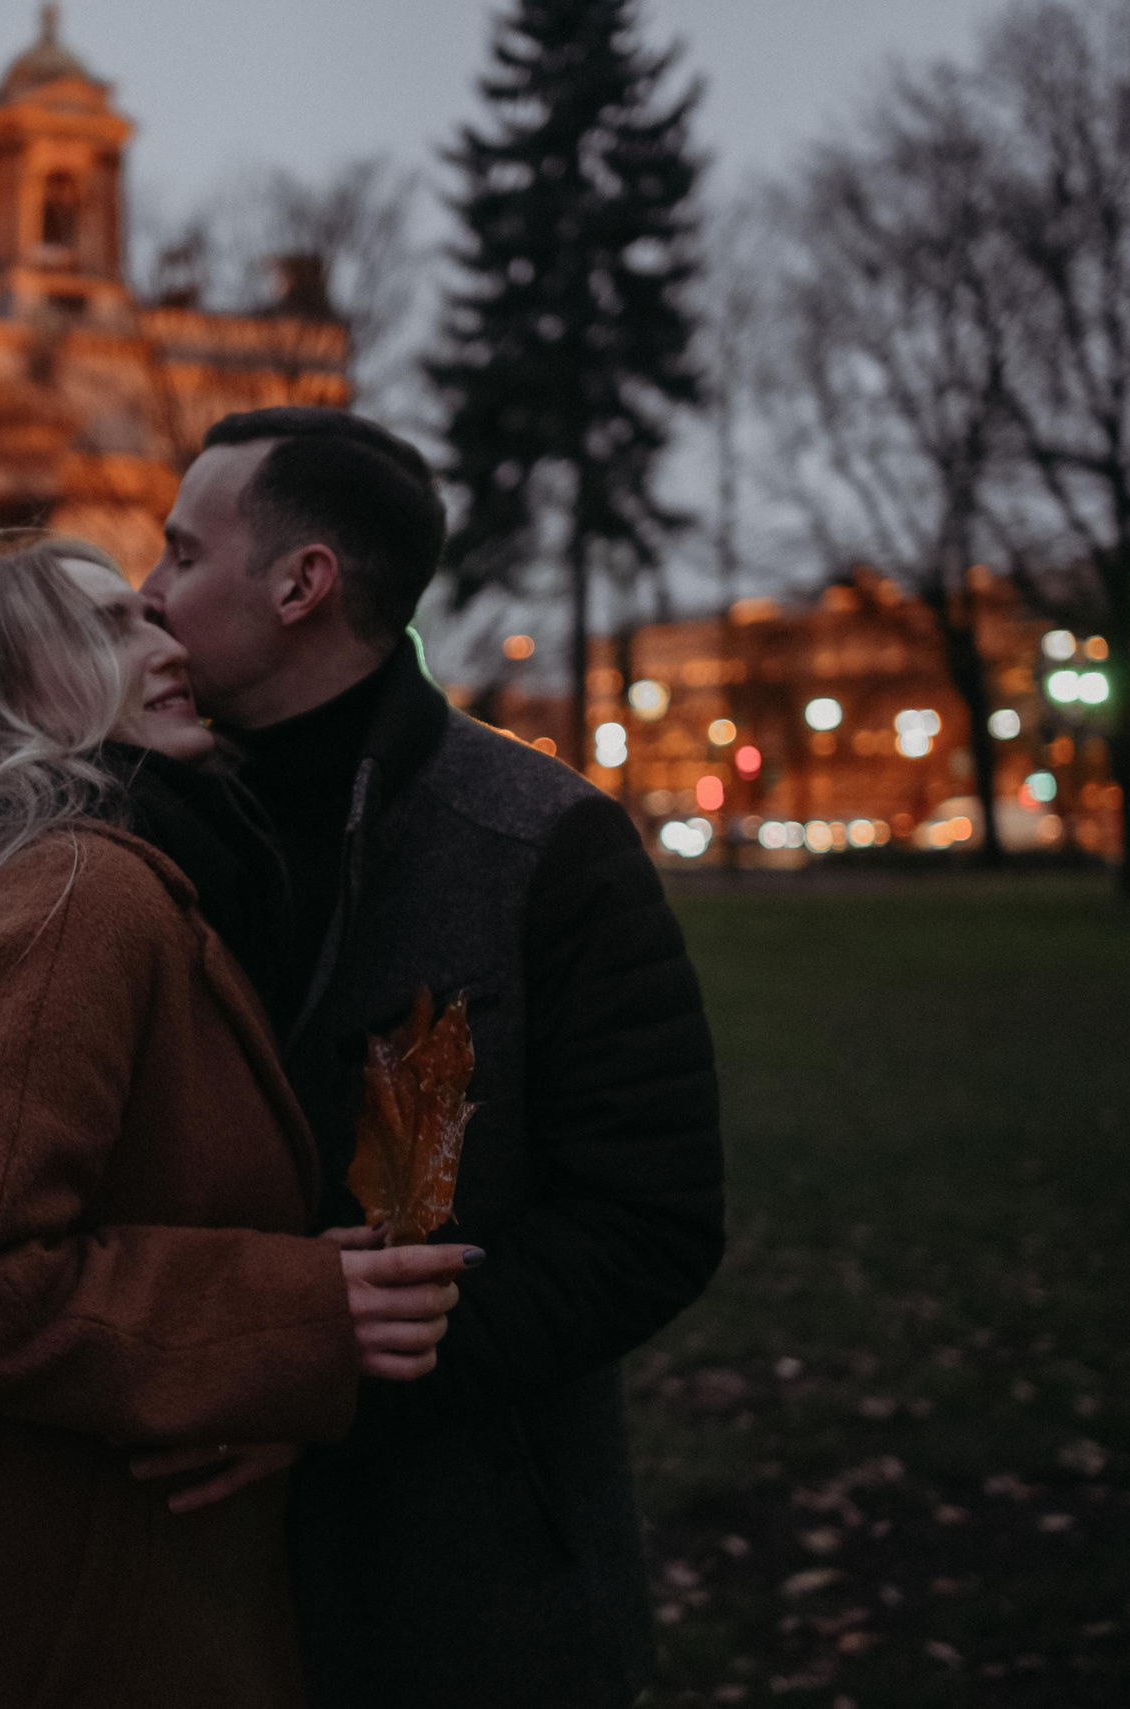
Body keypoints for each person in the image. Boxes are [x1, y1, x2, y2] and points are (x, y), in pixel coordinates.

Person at [0, 537, 477, 1709]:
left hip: (67, 1573)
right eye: (112, 627)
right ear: (13, 693)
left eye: (151, 619)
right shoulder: (77, 895)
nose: (167, 646)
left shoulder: (124, 874)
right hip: (49, 1612)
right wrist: (297, 1309)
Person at [138, 408, 727, 1707]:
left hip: (463, 1597)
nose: (147, 591)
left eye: (181, 554)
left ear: (303, 584)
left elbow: (650, 1221)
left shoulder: (542, 847)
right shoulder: (106, 837)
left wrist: (327, 1379)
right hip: (149, 1577)